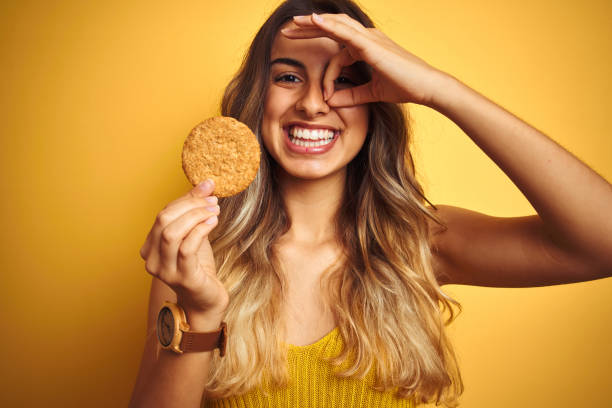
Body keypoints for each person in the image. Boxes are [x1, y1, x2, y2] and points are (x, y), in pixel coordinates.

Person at [129, 0, 612, 407]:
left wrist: (436, 88)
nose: (315, 105)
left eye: (344, 80)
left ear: (378, 96)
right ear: (258, 99)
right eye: (288, 78)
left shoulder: (418, 241)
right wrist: (202, 313)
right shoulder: (201, 260)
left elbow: (603, 240)